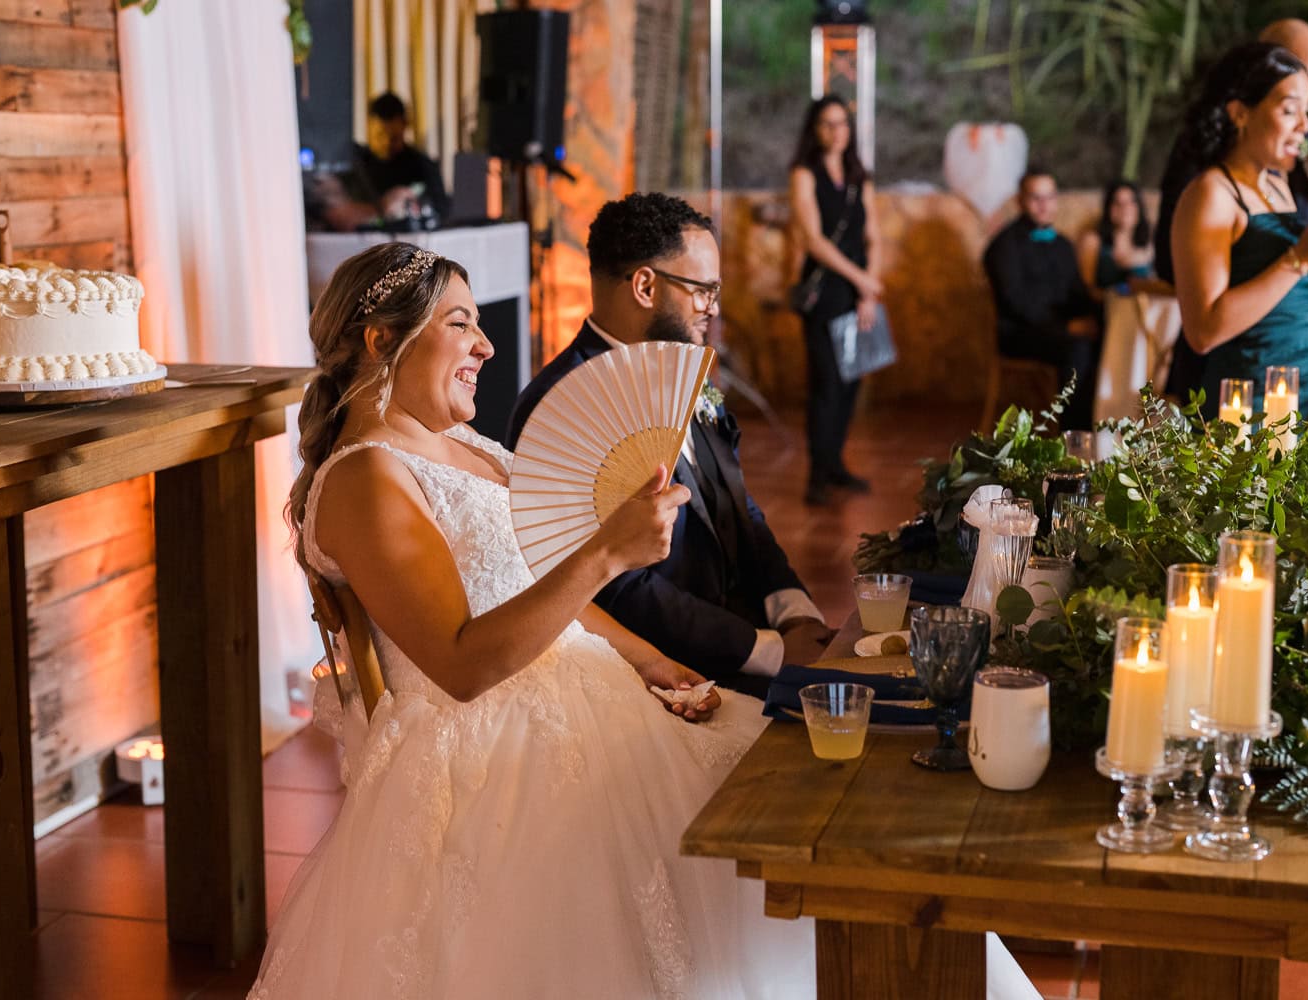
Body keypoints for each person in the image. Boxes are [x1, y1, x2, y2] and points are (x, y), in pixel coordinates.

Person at [248, 242, 816, 998]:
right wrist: (609, 553)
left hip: (582, 681)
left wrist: (647, 658)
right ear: (383, 340)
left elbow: (538, 589)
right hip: (491, 742)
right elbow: (461, 666)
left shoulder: (463, 444)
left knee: (781, 784)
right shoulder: (364, 477)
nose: (486, 345)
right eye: (461, 325)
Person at [506, 193, 835, 694]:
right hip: (662, 675)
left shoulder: (686, 368)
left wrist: (794, 611)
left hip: (746, 634)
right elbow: (610, 588)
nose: (715, 308)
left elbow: (738, 507)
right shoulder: (559, 408)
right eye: (703, 290)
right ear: (644, 286)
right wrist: (765, 650)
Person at [1155, 18, 1308, 399]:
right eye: (1290, 110)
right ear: (1240, 112)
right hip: (1241, 398)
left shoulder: (1280, 183)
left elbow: (1290, 294)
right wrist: (1301, 258)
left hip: (1304, 386)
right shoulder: (1210, 190)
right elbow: (1202, 330)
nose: (1305, 125)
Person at [787, 95, 881, 506]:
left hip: (858, 291)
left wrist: (869, 289)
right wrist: (862, 278)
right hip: (825, 290)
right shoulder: (804, 174)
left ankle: (836, 463)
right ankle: (817, 474)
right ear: (814, 128)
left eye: (842, 123)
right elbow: (812, 239)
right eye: (827, 123)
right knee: (825, 382)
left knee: (850, 380)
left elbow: (873, 234)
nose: (836, 131)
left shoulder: (861, 175)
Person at [983, 167, 1101, 430]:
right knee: (1078, 348)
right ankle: (1075, 438)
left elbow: (1077, 294)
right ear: (1021, 200)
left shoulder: (1063, 245)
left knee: (1109, 336)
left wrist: (1098, 315)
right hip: (1020, 334)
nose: (1044, 205)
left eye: (1049, 197)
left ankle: (1109, 430)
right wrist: (1065, 327)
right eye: (1036, 198)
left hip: (1060, 330)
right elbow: (1016, 302)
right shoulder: (1003, 246)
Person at [315, 92, 451, 232]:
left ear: (405, 126)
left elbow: (442, 211)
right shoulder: (352, 163)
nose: (386, 143)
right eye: (380, 135)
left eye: (394, 138)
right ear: (369, 126)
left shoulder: (423, 166)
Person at [1077, 180, 1156, 297]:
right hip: (1110, 308)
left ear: (1139, 207)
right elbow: (1086, 289)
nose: (1125, 208)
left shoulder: (1150, 240)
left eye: (1131, 202)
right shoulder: (1092, 240)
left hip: (1148, 308)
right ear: (1108, 208)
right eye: (1117, 203)